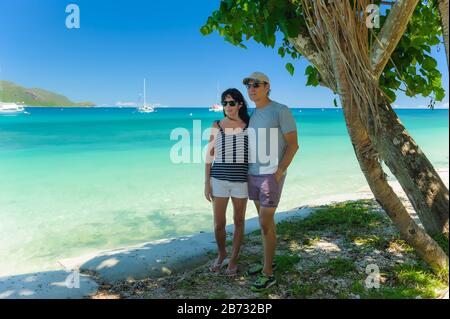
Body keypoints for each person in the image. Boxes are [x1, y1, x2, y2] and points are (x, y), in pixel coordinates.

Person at [243, 72, 299, 291]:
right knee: (263, 222)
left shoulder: (280, 110)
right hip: (252, 173)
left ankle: (268, 274)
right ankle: (268, 261)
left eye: (256, 85)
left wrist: (279, 172)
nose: (251, 89)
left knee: (266, 221)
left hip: (270, 175)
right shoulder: (252, 114)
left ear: (267, 86)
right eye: (249, 86)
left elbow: (293, 145)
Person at [204, 88, 250, 276]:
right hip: (219, 180)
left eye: (232, 103)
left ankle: (233, 258)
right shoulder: (217, 125)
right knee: (218, 223)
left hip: (241, 181)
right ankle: (222, 254)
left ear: (240, 104)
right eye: (225, 103)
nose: (228, 107)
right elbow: (209, 155)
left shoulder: (249, 125)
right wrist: (206, 182)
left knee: (238, 221)